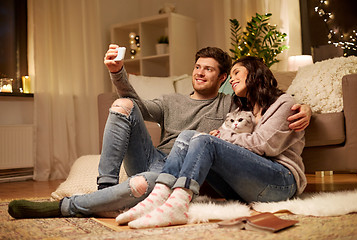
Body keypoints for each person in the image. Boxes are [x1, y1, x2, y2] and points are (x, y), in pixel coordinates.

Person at [7, 46, 311, 219]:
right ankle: (104, 189)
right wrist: (117, 72)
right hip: (153, 160)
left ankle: (72, 207)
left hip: (179, 175)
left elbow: (272, 102)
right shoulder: (171, 100)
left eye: (209, 69)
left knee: (176, 153)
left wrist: (307, 109)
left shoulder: (232, 104)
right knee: (124, 105)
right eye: (197, 67)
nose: (199, 72)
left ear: (222, 80)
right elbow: (137, 105)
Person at [115, 56, 307, 229]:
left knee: (204, 140)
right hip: (244, 190)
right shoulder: (241, 109)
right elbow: (223, 136)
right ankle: (160, 196)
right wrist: (218, 136)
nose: (232, 79)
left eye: (236, 72)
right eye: (230, 75)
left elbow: (263, 145)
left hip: (280, 183)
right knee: (188, 135)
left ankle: (178, 204)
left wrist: (221, 137)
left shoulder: (284, 103)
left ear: (255, 72)